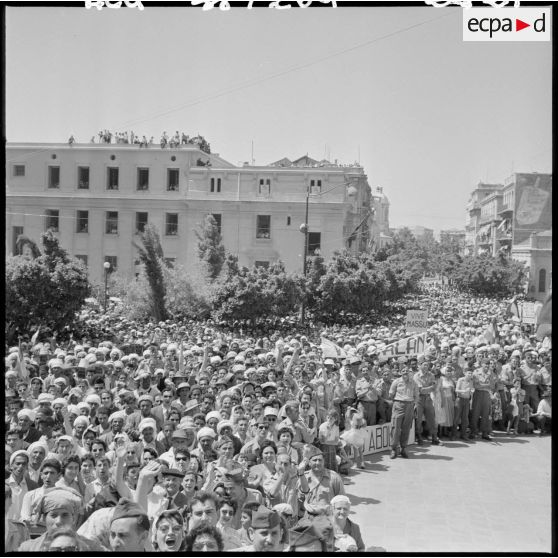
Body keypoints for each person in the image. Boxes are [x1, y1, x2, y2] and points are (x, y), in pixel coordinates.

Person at [18, 486, 104, 551]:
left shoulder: (92, 547)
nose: (59, 521)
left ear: (74, 518)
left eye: (65, 515)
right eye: (54, 515)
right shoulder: (28, 548)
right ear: (44, 519)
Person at [301, 444, 345, 515]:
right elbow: (299, 500)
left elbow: (341, 499)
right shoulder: (303, 477)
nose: (317, 463)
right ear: (309, 463)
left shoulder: (334, 477)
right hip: (308, 516)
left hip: (328, 516)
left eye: (320, 460)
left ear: (324, 462)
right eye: (314, 460)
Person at [389, 366, 419, 459]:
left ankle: (403, 448)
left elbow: (416, 395)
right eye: (403, 370)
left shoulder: (413, 383)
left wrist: (414, 405)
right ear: (400, 372)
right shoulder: (396, 382)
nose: (405, 372)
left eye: (407, 371)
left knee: (406, 428)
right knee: (396, 428)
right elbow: (391, 394)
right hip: (399, 404)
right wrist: (397, 403)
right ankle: (394, 449)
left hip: (410, 405)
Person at [414, 357, 440, 445]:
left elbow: (434, 388)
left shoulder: (431, 375)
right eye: (424, 364)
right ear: (420, 365)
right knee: (418, 419)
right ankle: (419, 437)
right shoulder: (416, 376)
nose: (426, 366)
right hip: (419, 399)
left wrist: (429, 388)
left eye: (428, 365)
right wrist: (430, 387)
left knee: (431, 418)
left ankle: (434, 437)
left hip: (428, 398)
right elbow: (420, 390)